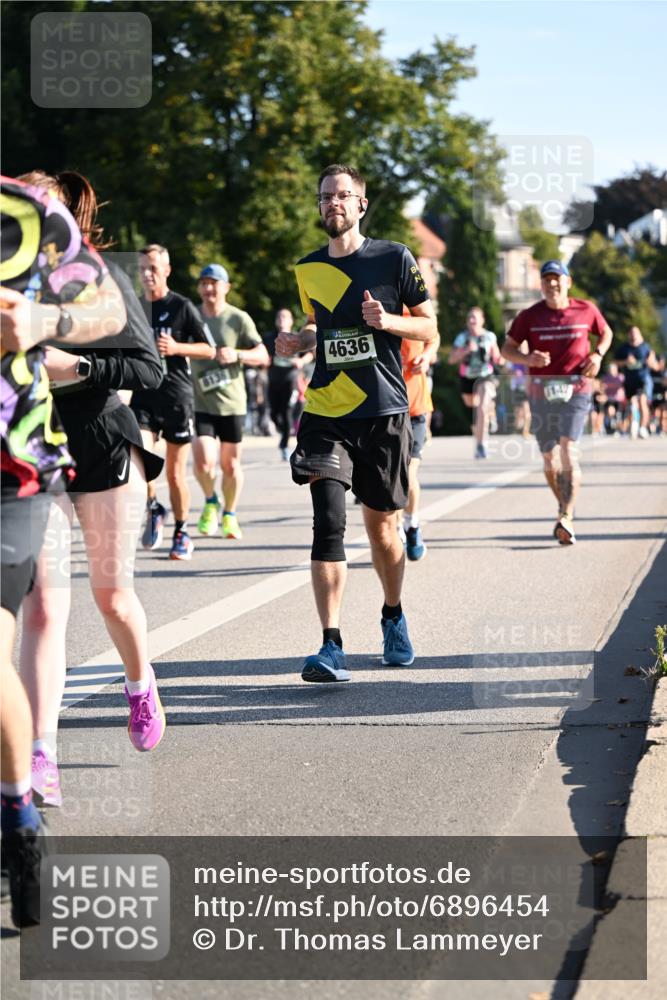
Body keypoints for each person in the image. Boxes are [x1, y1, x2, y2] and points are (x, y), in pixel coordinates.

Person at [16, 171, 167, 816]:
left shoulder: (98, 274)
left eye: (36, 197)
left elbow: (147, 368)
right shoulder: (6, 277)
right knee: (46, 606)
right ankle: (39, 754)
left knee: (112, 596)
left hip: (101, 438)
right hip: (31, 449)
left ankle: (140, 683)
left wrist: (71, 367)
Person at [1, 174, 126, 926]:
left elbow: (107, 307)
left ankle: (18, 811)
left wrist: (44, 317)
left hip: (7, 472)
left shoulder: (25, 211)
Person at [276, 163, 437, 682]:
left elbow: (429, 324)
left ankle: (392, 614)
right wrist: (299, 342)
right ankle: (331, 645)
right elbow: (315, 327)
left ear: (361, 204)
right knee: (328, 523)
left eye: (343, 196)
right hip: (326, 409)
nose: (333, 204)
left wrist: (388, 321)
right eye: (325, 197)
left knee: (384, 530)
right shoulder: (307, 268)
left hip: (384, 409)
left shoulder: (394, 258)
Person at [501, 259, 613, 545]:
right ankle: (564, 508)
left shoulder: (586, 309)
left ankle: (566, 513)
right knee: (549, 456)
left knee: (568, 447)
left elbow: (606, 332)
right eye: (547, 280)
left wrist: (598, 355)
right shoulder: (529, 316)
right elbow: (507, 349)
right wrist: (527, 358)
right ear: (541, 285)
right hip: (541, 391)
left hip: (577, 389)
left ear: (568, 282)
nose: (552, 284)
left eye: (557, 279)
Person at [131, 245, 216, 560]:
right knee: (138, 461)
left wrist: (178, 347)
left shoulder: (181, 307)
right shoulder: (136, 308)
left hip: (176, 397)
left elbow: (209, 349)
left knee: (175, 474)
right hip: (143, 397)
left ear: (166, 270)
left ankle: (182, 531)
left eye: (153, 268)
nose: (147, 274)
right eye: (141, 268)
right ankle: (154, 506)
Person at [191, 264, 269, 539]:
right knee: (202, 462)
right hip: (201, 402)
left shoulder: (238, 318)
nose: (209, 289)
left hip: (233, 403)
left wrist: (236, 354)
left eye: (214, 283)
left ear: (226, 287)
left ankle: (230, 513)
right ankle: (211, 501)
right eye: (204, 283)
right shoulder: (192, 317)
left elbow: (263, 356)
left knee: (231, 466)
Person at [399, 329, 440, 561]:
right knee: (391, 478)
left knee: (407, 473)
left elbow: (433, 336)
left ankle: (412, 526)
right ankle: (396, 530)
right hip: (384, 411)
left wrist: (427, 355)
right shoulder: (370, 314)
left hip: (415, 409)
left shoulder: (412, 309)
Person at [448, 306, 501, 458]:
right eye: (469, 318)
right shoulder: (462, 338)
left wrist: (499, 358)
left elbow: (497, 356)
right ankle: (491, 410)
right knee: (472, 404)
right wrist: (465, 350)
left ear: (482, 320)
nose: (471, 320)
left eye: (475, 317)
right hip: (467, 377)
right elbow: (451, 359)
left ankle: (481, 445)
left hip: (485, 376)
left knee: (482, 408)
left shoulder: (490, 336)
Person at [264, 307, 315, 460]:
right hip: (273, 380)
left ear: (291, 321)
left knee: (286, 411)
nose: (281, 319)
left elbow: (310, 354)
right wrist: (264, 361)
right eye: (279, 316)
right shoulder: (269, 338)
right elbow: (262, 354)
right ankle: (285, 432)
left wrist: (301, 361)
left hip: (290, 380)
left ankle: (285, 445)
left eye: (285, 317)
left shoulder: (298, 337)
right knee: (273, 413)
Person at [614, 326, 656, 439]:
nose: (633, 335)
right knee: (631, 405)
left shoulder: (645, 347)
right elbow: (615, 362)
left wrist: (651, 362)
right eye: (631, 333)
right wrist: (626, 362)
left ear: (639, 334)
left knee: (642, 402)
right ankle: (634, 425)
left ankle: (642, 428)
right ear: (629, 334)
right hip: (629, 380)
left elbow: (653, 364)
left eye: (635, 333)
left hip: (642, 379)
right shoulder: (624, 348)